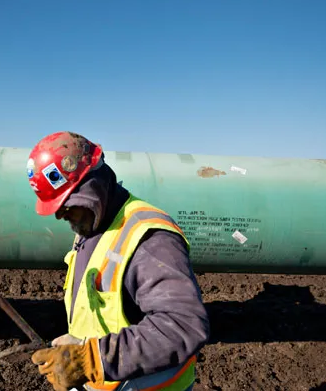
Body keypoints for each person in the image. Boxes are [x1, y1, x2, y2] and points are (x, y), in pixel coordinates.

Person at [26, 131, 210, 391]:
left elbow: (182, 325)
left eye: (66, 203)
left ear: (92, 185)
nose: (60, 216)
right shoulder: (94, 225)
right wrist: (81, 345)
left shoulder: (149, 239)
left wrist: (91, 359)